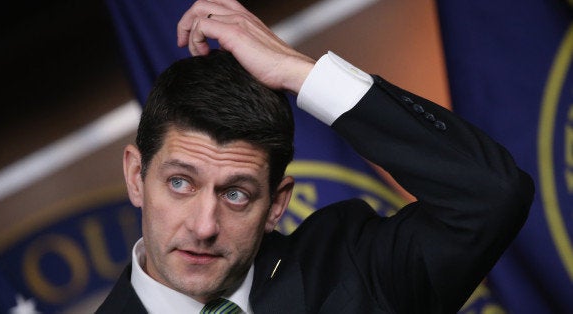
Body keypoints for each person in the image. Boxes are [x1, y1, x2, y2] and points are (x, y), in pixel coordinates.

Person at [96, 0, 534, 313]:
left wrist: (299, 72)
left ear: (277, 204)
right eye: (180, 183)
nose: (204, 226)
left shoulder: (352, 268)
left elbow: (490, 195)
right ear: (137, 175)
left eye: (236, 194)